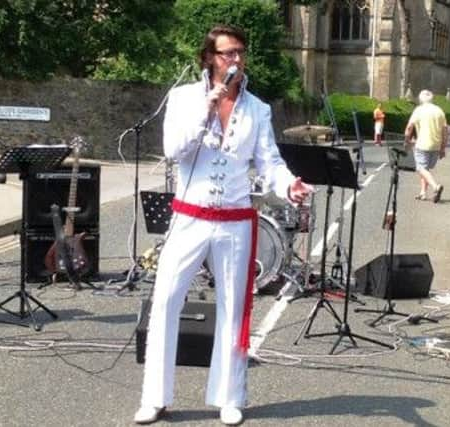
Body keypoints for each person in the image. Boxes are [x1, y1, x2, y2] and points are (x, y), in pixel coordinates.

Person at [134, 25, 313, 426]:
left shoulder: (258, 109)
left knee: (233, 309)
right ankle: (155, 397)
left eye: (239, 53)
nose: (234, 60)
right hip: (189, 216)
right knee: (165, 302)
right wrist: (208, 107)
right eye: (226, 53)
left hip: (234, 220)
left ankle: (229, 397)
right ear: (209, 59)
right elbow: (172, 149)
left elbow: (268, 163)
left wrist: (289, 185)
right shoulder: (182, 99)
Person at [404, 89, 447, 203]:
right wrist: (443, 148)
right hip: (436, 146)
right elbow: (445, 131)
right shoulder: (439, 111)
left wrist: (407, 140)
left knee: (421, 168)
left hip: (422, 144)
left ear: (420, 100)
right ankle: (423, 192)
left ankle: (435, 187)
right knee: (426, 169)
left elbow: (409, 128)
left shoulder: (419, 110)